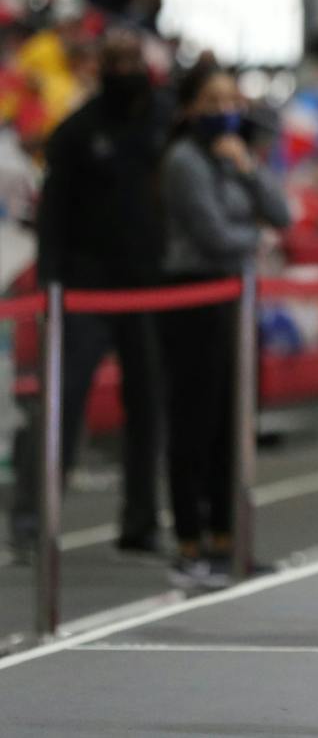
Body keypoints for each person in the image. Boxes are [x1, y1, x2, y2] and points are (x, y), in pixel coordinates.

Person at [9, 27, 168, 555]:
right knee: (62, 402)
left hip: (149, 289)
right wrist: (53, 285)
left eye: (132, 60)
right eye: (115, 60)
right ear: (101, 67)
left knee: (147, 406)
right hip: (83, 291)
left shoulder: (165, 123)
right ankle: (32, 519)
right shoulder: (77, 132)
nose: (124, 69)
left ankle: (142, 521)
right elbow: (52, 213)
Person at [158, 63, 289, 588]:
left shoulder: (236, 157)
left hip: (236, 299)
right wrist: (255, 240)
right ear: (189, 109)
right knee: (195, 424)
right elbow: (213, 235)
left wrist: (246, 170)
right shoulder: (183, 162)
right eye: (210, 103)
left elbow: (281, 213)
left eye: (229, 102)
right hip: (193, 298)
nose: (223, 112)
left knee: (233, 422)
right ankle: (189, 543)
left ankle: (225, 540)